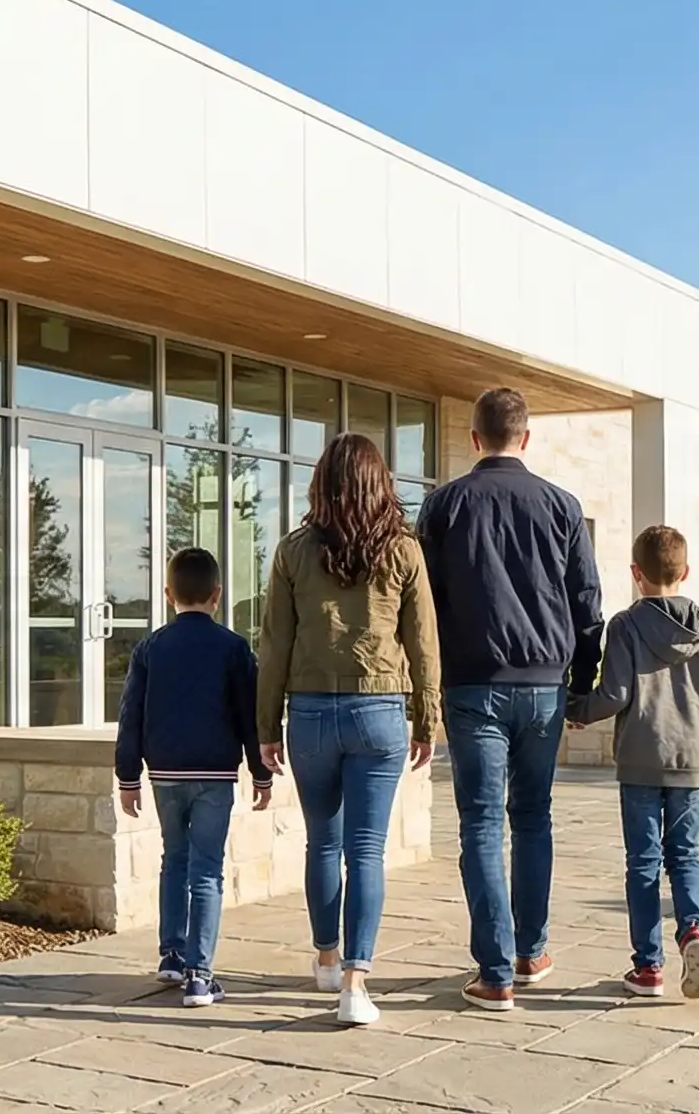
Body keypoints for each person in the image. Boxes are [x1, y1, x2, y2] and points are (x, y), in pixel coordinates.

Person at [416, 386, 603, 1011]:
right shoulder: (563, 506)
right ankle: (532, 951)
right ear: (525, 438)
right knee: (533, 817)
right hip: (545, 688)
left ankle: (494, 972)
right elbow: (587, 604)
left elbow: (425, 605)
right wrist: (581, 683)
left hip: (472, 686)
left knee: (481, 824)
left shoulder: (443, 506)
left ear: (475, 439)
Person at [259, 433, 440, 1027]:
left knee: (323, 843)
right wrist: (427, 718)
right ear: (379, 483)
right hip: (380, 709)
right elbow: (423, 644)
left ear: (321, 484)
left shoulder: (292, 551)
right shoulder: (404, 550)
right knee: (367, 849)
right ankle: (356, 986)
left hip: (309, 712)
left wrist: (266, 726)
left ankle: (326, 957)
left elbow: (274, 645)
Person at [567, 525, 699, 1000]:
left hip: (641, 758)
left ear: (636, 573)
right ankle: (694, 931)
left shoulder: (626, 625)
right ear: (683, 572)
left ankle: (649, 968)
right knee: (685, 856)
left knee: (642, 862)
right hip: (694, 759)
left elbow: (615, 693)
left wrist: (574, 709)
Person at [116, 546, 274, 1008]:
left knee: (174, 859)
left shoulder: (150, 648)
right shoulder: (233, 648)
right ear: (218, 595)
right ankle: (200, 976)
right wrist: (261, 774)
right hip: (215, 774)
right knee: (207, 871)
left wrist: (128, 777)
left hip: (164, 773)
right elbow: (250, 717)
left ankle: (171, 953)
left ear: (169, 595)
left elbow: (131, 715)